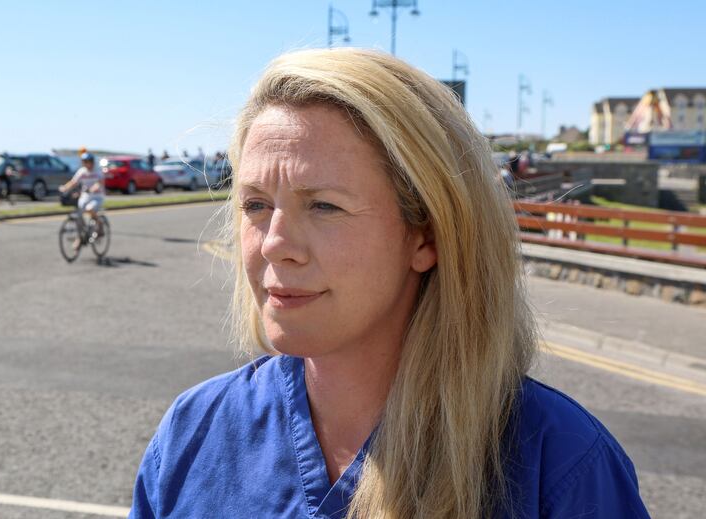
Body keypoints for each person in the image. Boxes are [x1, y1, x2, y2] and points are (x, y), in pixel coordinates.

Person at [129, 49, 650, 518]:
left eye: (324, 206)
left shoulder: (555, 465)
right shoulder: (194, 434)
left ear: (426, 235)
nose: (272, 243)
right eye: (256, 205)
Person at [59, 152, 105, 250]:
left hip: (97, 197)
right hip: (85, 197)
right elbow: (73, 182)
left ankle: (100, 224)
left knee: (89, 209)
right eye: (84, 162)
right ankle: (80, 237)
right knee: (78, 215)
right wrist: (65, 188)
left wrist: (91, 189)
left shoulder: (97, 171)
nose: (85, 164)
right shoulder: (82, 172)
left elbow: (99, 184)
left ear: (92, 162)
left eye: (87, 162)